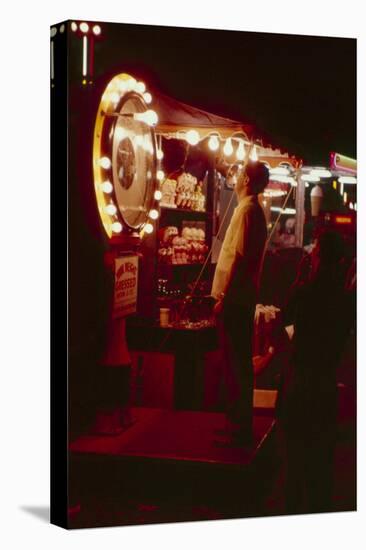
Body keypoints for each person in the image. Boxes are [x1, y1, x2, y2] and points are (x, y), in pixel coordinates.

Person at [278, 228, 354, 514]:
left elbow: (283, 321)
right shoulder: (347, 301)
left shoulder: (306, 292)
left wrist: (299, 278)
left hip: (300, 386)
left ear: (320, 258)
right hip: (325, 387)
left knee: (295, 466)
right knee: (321, 468)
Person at [211, 160, 269, 447]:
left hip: (236, 300)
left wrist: (224, 297)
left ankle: (238, 426)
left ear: (246, 179)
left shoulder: (247, 211)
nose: (233, 180)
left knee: (235, 363)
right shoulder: (253, 210)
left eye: (237, 175)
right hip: (240, 298)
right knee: (236, 363)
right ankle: (237, 422)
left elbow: (240, 258)